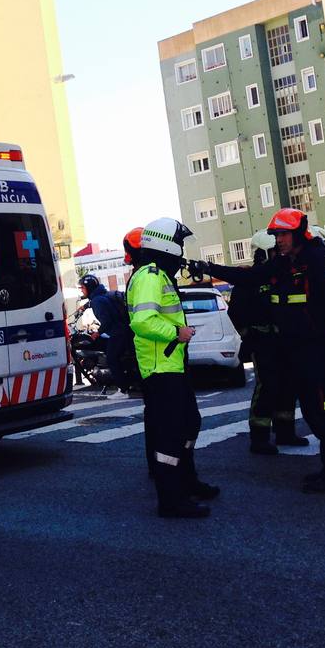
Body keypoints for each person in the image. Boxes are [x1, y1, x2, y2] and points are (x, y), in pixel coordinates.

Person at [264, 208, 325, 493]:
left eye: (283, 234)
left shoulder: (318, 260)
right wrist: (208, 269)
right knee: (313, 411)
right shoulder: (289, 262)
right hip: (303, 353)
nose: (279, 240)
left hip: (320, 352)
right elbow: (253, 276)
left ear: (297, 234)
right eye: (276, 235)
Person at [126, 219, 219, 518]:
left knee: (189, 422)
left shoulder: (160, 276)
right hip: (160, 368)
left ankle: (187, 482)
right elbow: (142, 322)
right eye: (179, 243)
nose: (182, 251)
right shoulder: (149, 277)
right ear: (167, 244)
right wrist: (175, 334)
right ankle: (170, 499)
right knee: (170, 433)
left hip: (172, 364)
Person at [194, 230, 307, 455]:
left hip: (283, 339)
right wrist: (251, 336)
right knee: (267, 386)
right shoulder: (248, 280)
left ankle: (285, 431)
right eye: (274, 250)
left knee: (288, 385)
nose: (279, 254)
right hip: (262, 342)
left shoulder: (281, 273)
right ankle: (260, 437)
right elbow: (236, 314)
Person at [78, 274, 130, 392]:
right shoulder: (100, 296)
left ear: (89, 287)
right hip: (124, 331)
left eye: (83, 288)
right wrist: (84, 306)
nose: (81, 290)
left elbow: (107, 321)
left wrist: (97, 333)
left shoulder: (97, 301)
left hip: (117, 333)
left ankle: (123, 389)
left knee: (112, 359)